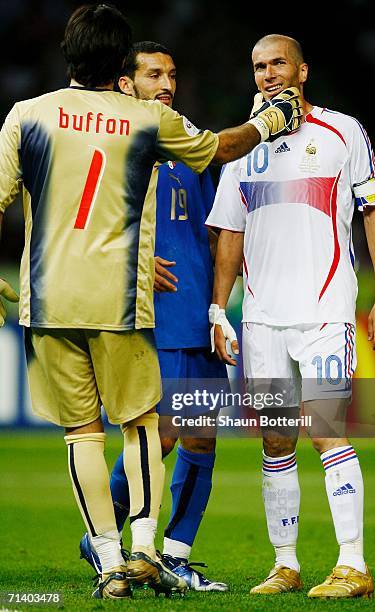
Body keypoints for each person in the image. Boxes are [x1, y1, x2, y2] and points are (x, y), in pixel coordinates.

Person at [0, 3, 303, 600]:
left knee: (86, 437)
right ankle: (143, 549)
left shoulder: (25, 115)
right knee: (144, 430)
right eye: (150, 73)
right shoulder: (143, 122)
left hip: (51, 300)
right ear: (120, 68)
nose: (164, 84)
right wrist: (272, 121)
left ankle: (116, 561)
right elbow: (221, 147)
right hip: (122, 303)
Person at [207, 34, 375, 599]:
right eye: (258, 66)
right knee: (274, 440)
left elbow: (374, 213)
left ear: (302, 70)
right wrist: (221, 309)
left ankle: (354, 566)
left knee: (326, 429)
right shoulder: (244, 144)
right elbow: (229, 236)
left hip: (324, 309)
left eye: (277, 63)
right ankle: (285, 565)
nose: (267, 74)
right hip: (262, 318)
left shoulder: (343, 132)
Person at [79, 40, 228, 592]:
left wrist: (221, 305)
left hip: (199, 313)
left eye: (171, 73)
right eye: (152, 74)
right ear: (125, 83)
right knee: (160, 437)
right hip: (150, 316)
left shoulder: (188, 144)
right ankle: (104, 541)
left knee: (201, 438)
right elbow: (85, 226)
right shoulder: (114, 146)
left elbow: (218, 228)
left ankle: (175, 556)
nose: (166, 83)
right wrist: (134, 267)